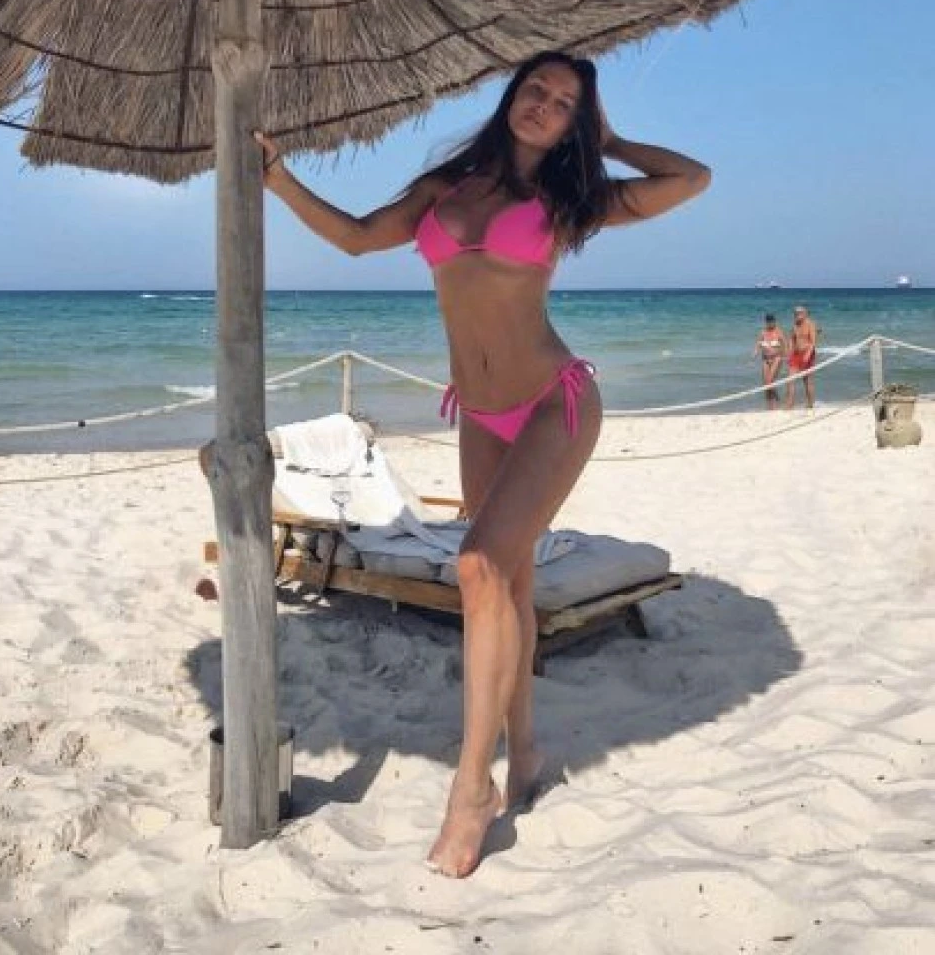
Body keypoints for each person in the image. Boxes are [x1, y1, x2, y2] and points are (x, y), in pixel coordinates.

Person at [255, 51, 711, 877]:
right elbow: (356, 239)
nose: (545, 105)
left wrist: (610, 141)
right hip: (478, 413)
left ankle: (473, 788)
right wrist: (279, 178)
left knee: (476, 567)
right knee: (510, 584)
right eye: (537, 89)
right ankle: (525, 751)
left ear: (574, 124)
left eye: (565, 103)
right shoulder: (445, 189)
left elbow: (692, 179)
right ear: (511, 97)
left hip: (552, 405)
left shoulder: (572, 199)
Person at [785, 304, 819, 410]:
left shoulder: (810, 324)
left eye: (800, 312)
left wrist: (808, 354)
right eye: (795, 313)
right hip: (796, 355)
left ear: (805, 314)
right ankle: (789, 405)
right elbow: (791, 340)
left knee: (807, 380)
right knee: (790, 379)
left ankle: (810, 404)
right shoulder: (795, 325)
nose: (797, 314)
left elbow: (813, 342)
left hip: (808, 354)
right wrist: (789, 354)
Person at [753, 313, 788, 409]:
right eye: (768, 321)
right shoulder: (763, 332)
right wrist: (755, 352)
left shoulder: (779, 332)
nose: (770, 323)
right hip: (765, 359)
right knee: (766, 384)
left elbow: (785, 345)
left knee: (770, 381)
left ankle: (777, 400)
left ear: (774, 321)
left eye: (771, 321)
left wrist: (785, 356)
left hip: (776, 358)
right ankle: (770, 406)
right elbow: (758, 343)